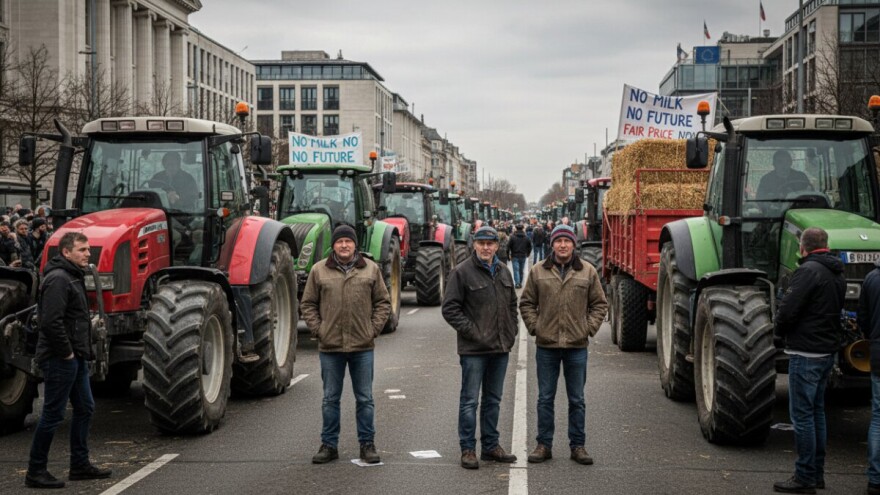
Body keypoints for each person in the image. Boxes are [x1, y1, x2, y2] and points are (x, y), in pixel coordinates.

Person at [26, 232, 111, 488]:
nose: (88, 254)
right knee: (52, 414)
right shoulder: (59, 279)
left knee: (85, 407)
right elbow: (50, 322)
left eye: (88, 250)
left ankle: (80, 465)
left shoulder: (72, 276)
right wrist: (67, 353)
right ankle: (36, 471)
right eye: (82, 250)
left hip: (76, 357)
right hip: (60, 358)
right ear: (66, 252)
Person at [300, 224, 391, 465]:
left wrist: (372, 330)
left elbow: (383, 302)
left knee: (365, 399)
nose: (344, 245)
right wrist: (319, 330)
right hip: (331, 348)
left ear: (354, 245)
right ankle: (329, 445)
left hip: (362, 347)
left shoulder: (370, 269)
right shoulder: (319, 271)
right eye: (340, 241)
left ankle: (367, 445)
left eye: (348, 242)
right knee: (330, 399)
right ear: (334, 245)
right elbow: (307, 304)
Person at [519, 224, 608, 466]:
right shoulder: (538, 271)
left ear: (573, 244)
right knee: (545, 398)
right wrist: (536, 327)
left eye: (567, 241)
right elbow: (526, 303)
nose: (563, 245)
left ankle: (577, 446)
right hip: (547, 346)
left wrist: (588, 329)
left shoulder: (587, 271)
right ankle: (543, 445)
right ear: (552, 244)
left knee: (576, 399)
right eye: (558, 241)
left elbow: (600, 304)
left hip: (577, 347)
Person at [773, 227, 845, 494]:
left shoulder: (807, 272)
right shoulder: (837, 272)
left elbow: (788, 309)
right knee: (816, 414)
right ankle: (817, 473)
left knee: (801, 417)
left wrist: (778, 332)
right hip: (826, 351)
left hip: (805, 352)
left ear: (803, 248)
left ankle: (804, 477)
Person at [442, 225, 519, 469]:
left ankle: (490, 446)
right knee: (469, 401)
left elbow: (511, 306)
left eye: (491, 243)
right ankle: (467, 449)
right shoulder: (461, 272)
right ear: (474, 244)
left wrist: (511, 331)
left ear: (497, 246)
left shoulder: (504, 272)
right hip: (474, 350)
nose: (486, 247)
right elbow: (450, 309)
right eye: (482, 243)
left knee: (493, 400)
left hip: (499, 348)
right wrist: (473, 332)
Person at [859, 257, 880, 495]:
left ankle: (875, 479)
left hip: (877, 354)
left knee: (878, 417)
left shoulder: (871, 278)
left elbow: (863, 317)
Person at [507, 223, 532, 289]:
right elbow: (530, 246)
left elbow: (508, 247)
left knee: (516, 270)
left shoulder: (512, 237)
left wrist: (508, 255)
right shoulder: (526, 237)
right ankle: (520, 282)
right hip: (523, 255)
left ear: (516, 229)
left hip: (514, 255)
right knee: (521, 270)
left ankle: (517, 283)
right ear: (523, 229)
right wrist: (528, 253)